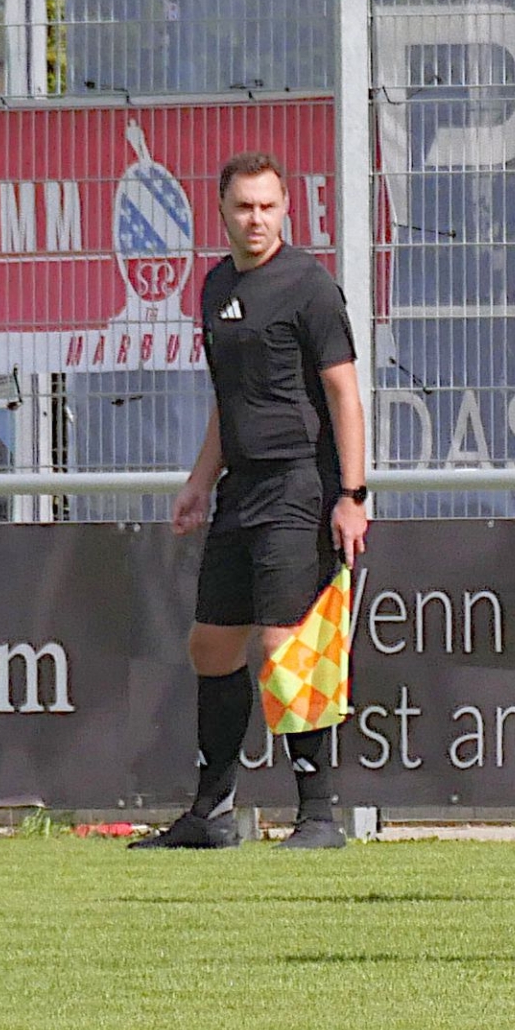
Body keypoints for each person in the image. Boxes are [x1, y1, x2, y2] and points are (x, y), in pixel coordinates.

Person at [131, 151, 369, 850]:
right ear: (222, 212)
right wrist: (200, 481)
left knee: (284, 642)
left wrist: (352, 494)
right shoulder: (215, 287)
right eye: (244, 207)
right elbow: (226, 399)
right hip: (240, 489)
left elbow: (345, 395)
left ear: (286, 209)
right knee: (210, 644)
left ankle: (318, 816)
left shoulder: (310, 287)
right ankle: (211, 814)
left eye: (268, 206)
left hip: (300, 484)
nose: (256, 219)